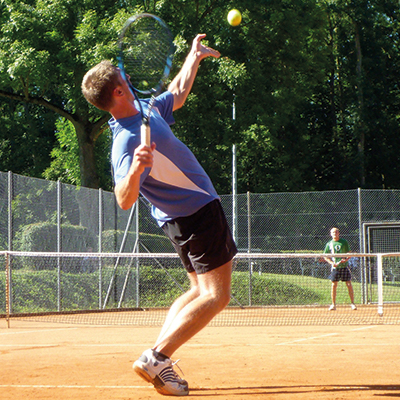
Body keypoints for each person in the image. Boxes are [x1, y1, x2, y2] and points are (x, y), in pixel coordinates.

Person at [81, 34, 237, 396]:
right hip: (195, 213)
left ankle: (158, 360)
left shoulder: (146, 109)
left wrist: (193, 58)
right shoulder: (125, 140)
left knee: (197, 289)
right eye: (122, 76)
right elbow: (123, 199)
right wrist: (136, 169)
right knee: (217, 296)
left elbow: (179, 93)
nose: (128, 76)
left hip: (183, 217)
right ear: (117, 93)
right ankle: (158, 355)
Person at [323, 227, 357, 311]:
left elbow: (349, 253)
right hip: (335, 269)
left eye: (336, 232)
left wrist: (346, 259)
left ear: (339, 233)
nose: (335, 233)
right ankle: (333, 305)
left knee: (349, 284)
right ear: (331, 234)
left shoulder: (344, 242)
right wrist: (332, 263)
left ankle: (352, 303)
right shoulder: (329, 244)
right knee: (334, 285)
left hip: (344, 267)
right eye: (333, 232)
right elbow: (326, 256)